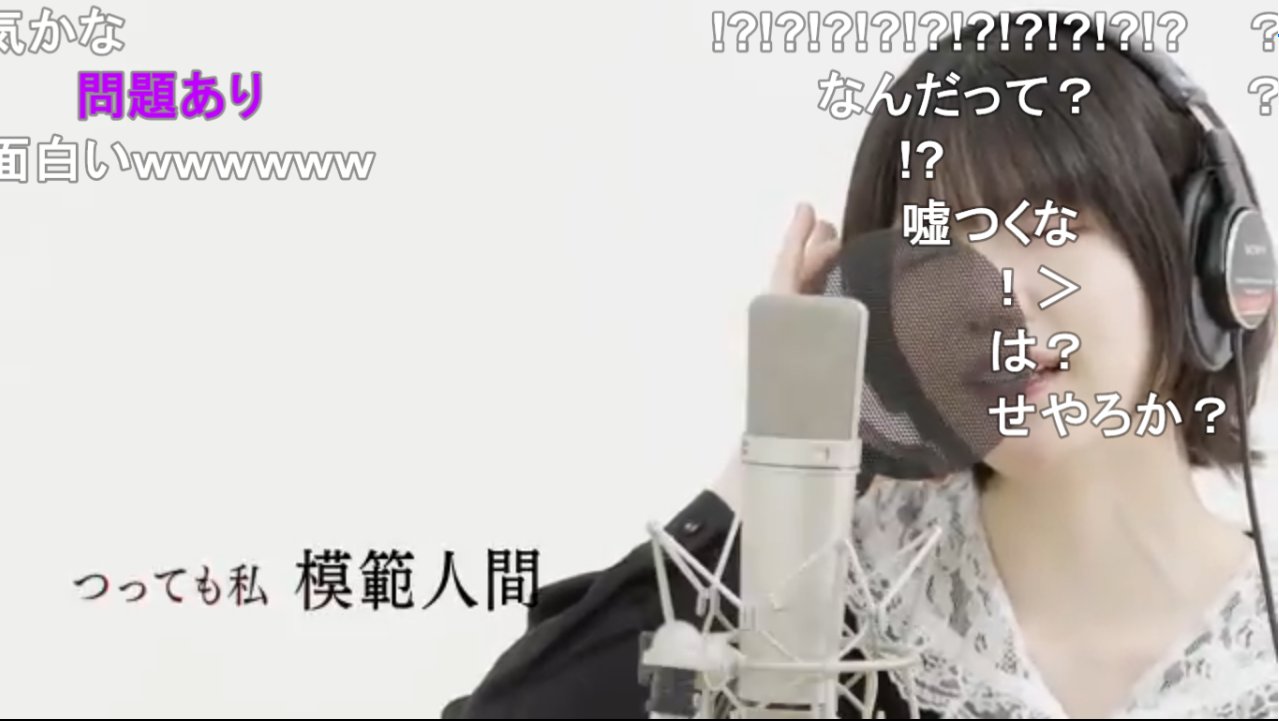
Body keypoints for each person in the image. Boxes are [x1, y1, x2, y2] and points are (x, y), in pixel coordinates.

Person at [442, 14, 1278, 719]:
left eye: (1047, 226)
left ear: (1202, 260)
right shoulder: (820, 602)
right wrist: (786, 438)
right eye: (938, 251)